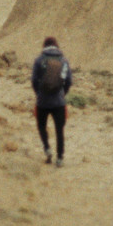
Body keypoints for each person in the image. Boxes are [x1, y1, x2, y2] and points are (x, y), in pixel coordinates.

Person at [30, 36, 72, 167]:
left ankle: (47, 149)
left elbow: (33, 80)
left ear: (44, 45)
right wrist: (62, 94)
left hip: (42, 101)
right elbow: (69, 81)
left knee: (41, 126)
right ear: (56, 45)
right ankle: (59, 158)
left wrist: (39, 94)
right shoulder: (64, 60)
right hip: (59, 102)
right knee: (60, 130)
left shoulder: (39, 60)